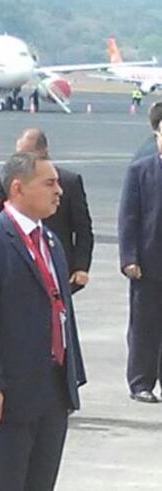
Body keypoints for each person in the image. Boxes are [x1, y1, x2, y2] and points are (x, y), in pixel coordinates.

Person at [0, 152, 86, 491]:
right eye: (49, 183)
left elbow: (60, 312)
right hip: (4, 395)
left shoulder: (51, 242)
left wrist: (70, 380)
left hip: (50, 392)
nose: (59, 191)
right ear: (18, 188)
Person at [0, 129, 94, 294]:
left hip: (56, 267)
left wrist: (81, 267)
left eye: (26, 155)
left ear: (43, 152)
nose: (21, 162)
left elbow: (83, 229)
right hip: (18, 266)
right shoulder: (10, 181)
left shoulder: (69, 182)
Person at [118, 101, 162, 404]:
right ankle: (140, 382)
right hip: (148, 262)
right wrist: (129, 258)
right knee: (144, 326)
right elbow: (128, 217)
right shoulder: (141, 169)